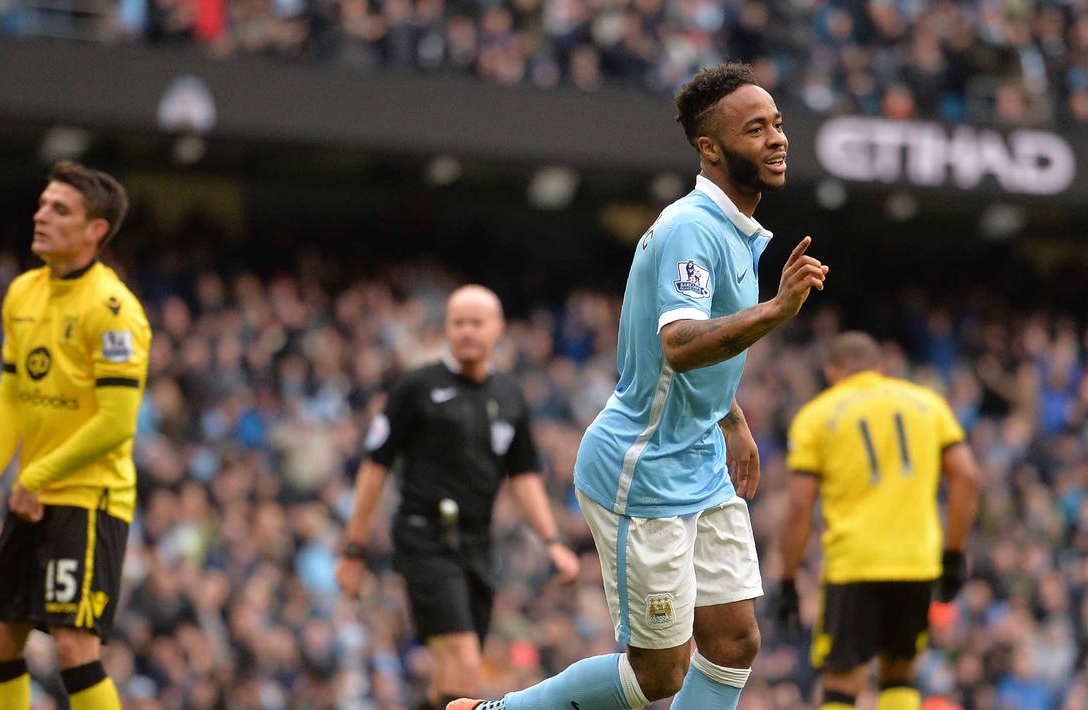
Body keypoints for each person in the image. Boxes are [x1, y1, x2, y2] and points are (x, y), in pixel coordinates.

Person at [452, 61, 829, 710]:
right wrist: (775, 310)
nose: (776, 139)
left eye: (777, 124)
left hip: (699, 459)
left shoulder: (733, 228)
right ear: (709, 149)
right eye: (755, 129)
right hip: (642, 466)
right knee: (660, 675)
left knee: (735, 643)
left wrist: (730, 421)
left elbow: (693, 357)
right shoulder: (692, 227)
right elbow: (679, 346)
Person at [0, 161, 151, 710]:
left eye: (59, 209)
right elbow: (11, 395)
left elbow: (116, 423)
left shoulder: (115, 312)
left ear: (95, 231)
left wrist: (35, 474)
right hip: (31, 496)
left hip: (89, 498)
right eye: (43, 203)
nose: (40, 215)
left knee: (74, 648)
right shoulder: (22, 293)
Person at [335, 284, 581, 710]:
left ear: (498, 328)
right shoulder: (416, 388)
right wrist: (353, 549)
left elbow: (522, 476)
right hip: (425, 538)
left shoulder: (508, 395)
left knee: (453, 679)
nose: (467, 332)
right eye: (458, 323)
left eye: (476, 323)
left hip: (476, 545)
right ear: (446, 328)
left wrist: (552, 541)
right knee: (465, 664)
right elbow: (375, 468)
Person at [776, 331, 979, 710]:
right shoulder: (927, 403)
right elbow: (966, 476)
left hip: (855, 563)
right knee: (900, 672)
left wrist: (787, 579)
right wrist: (953, 553)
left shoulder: (816, 416)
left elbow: (799, 507)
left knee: (841, 681)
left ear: (832, 370)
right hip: (917, 561)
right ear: (880, 367)